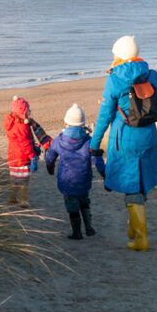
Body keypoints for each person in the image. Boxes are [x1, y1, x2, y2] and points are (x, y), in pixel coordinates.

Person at [90, 35, 157, 251]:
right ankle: (133, 229)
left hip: (124, 140)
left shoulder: (114, 79)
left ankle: (141, 238)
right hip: (148, 137)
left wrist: (95, 143)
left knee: (131, 186)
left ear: (119, 55)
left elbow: (105, 116)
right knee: (141, 183)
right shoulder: (153, 76)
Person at [46, 103, 106, 240]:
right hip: (83, 180)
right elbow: (97, 159)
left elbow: (50, 156)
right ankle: (89, 227)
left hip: (67, 181)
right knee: (84, 201)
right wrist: (103, 173)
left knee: (72, 205)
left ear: (66, 122)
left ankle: (77, 232)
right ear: (82, 123)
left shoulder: (59, 140)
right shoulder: (88, 141)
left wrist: (50, 167)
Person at [3, 96, 52, 208]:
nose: (29, 112)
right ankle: (23, 201)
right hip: (22, 158)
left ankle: (12, 198)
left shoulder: (12, 123)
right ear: (22, 112)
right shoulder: (22, 126)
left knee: (14, 180)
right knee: (24, 181)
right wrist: (33, 157)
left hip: (12, 157)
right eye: (27, 110)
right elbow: (25, 144)